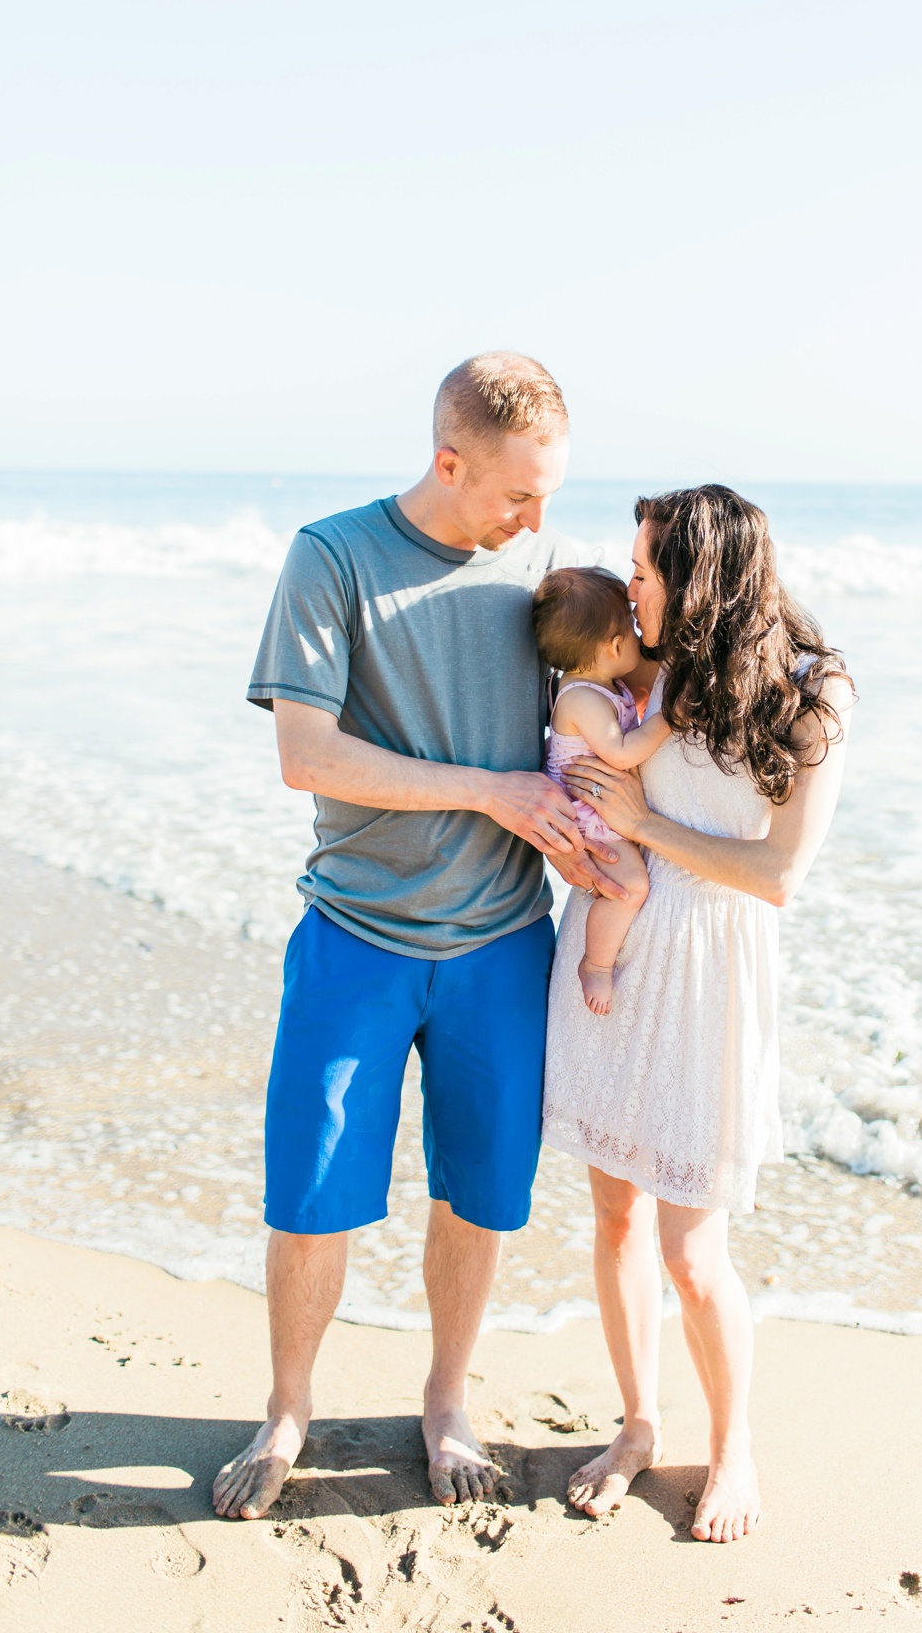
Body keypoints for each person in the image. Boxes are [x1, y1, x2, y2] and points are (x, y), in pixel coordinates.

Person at [213, 352, 628, 1521]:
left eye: (550, 493)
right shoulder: (332, 558)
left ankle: (447, 1398)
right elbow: (309, 755)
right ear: (448, 462)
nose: (538, 521)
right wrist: (490, 793)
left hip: (505, 943)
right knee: (311, 1192)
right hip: (357, 934)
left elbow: (619, 706)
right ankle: (288, 1406)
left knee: (481, 1193)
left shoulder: (546, 566)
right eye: (515, 494)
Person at [542, 485, 853, 1544]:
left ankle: (733, 1449)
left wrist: (642, 825)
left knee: (693, 1249)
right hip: (614, 958)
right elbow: (575, 767)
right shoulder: (646, 667)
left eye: (644, 571)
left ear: (699, 579)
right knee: (617, 1215)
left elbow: (777, 876)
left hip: (713, 976)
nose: (630, 588)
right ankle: (637, 1423)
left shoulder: (814, 694)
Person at [533, 566, 672, 1013]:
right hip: (587, 814)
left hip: (597, 803)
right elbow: (620, 753)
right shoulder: (582, 698)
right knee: (630, 887)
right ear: (615, 646)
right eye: (632, 630)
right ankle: (596, 963)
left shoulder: (601, 686)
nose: (638, 636)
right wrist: (668, 719)